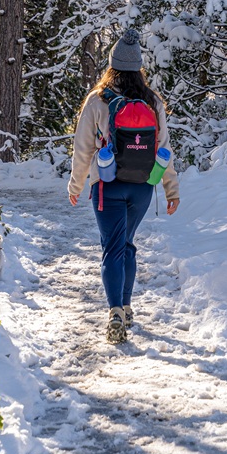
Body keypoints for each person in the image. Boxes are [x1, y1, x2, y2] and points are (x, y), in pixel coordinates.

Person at [68, 28, 180, 344]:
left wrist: (76, 185)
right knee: (127, 243)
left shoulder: (97, 101)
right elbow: (164, 148)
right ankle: (127, 307)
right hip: (143, 186)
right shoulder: (153, 101)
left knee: (112, 248)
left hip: (107, 186)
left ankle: (116, 311)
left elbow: (83, 149)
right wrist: (171, 189)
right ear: (139, 68)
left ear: (111, 65)